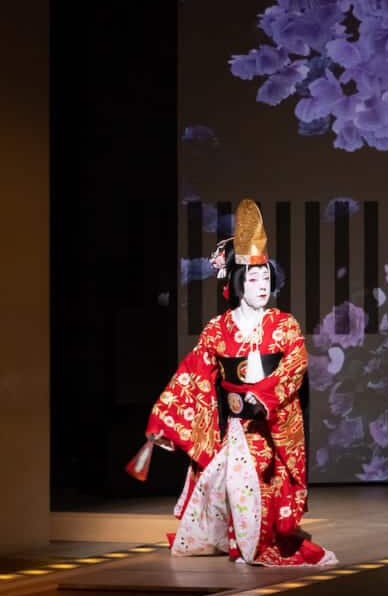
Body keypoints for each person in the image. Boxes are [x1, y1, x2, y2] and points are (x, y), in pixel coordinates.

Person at [134, 199, 336, 567]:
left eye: (265, 279)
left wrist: (264, 396)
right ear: (239, 281)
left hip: (270, 422)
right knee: (225, 482)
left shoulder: (283, 324)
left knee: (256, 482)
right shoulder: (218, 328)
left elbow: (295, 364)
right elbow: (193, 374)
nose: (261, 286)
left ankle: (255, 545)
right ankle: (241, 543)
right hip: (235, 423)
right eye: (254, 279)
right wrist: (162, 419)